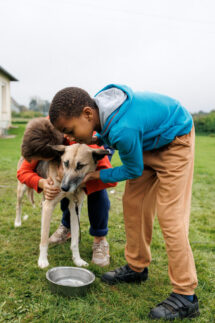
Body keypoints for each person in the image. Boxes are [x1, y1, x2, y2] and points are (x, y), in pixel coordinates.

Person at [48, 85, 199, 320]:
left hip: (175, 141)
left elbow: (132, 168)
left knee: (171, 217)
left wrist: (95, 175)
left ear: (87, 114)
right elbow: (115, 141)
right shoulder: (101, 114)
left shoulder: (123, 128)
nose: (70, 138)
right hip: (147, 142)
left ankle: (185, 295)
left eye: (70, 130)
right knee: (133, 206)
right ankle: (137, 268)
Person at [17, 117, 116, 267]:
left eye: (41, 159)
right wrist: (42, 182)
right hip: (65, 148)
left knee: (96, 191)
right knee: (65, 190)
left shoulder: (86, 141)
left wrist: (86, 179)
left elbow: (110, 178)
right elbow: (23, 171)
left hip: (98, 140)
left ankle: (100, 239)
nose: (42, 161)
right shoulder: (38, 137)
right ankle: (66, 226)